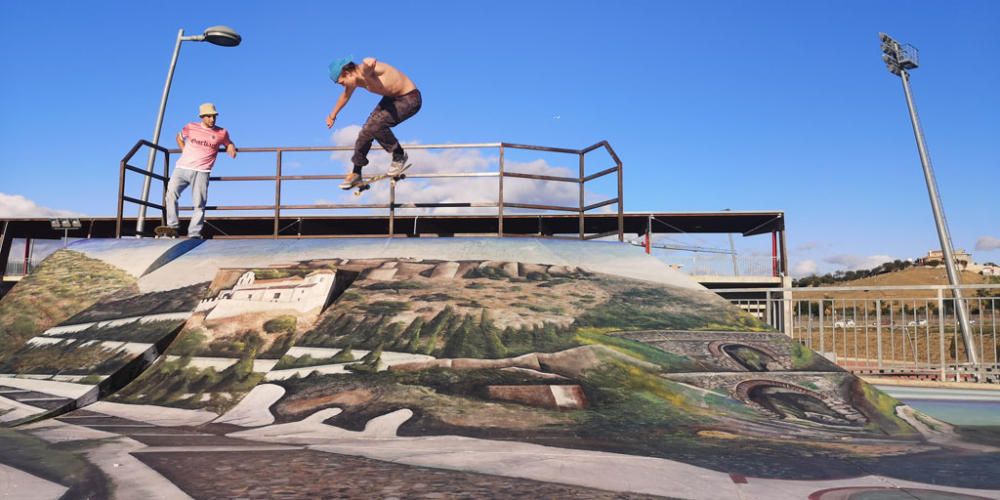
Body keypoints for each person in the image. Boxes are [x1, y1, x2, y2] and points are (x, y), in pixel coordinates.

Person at [326, 57, 422, 189]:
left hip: (410, 98)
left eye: (342, 83)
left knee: (376, 125)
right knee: (366, 131)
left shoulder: (365, 71)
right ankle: (356, 173)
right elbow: (345, 97)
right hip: (391, 99)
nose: (344, 86)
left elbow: (368, 66)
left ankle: (399, 155)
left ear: (347, 73)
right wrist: (332, 115)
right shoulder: (353, 81)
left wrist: (368, 62)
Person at [165, 103, 237, 238]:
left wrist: (231, 147)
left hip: (202, 171)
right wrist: (184, 150)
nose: (212, 119)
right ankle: (172, 228)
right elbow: (179, 137)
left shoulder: (222, 132)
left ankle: (194, 233)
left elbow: (228, 142)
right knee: (170, 195)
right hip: (182, 168)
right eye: (209, 116)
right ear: (202, 117)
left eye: (214, 116)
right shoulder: (191, 127)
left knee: (199, 203)